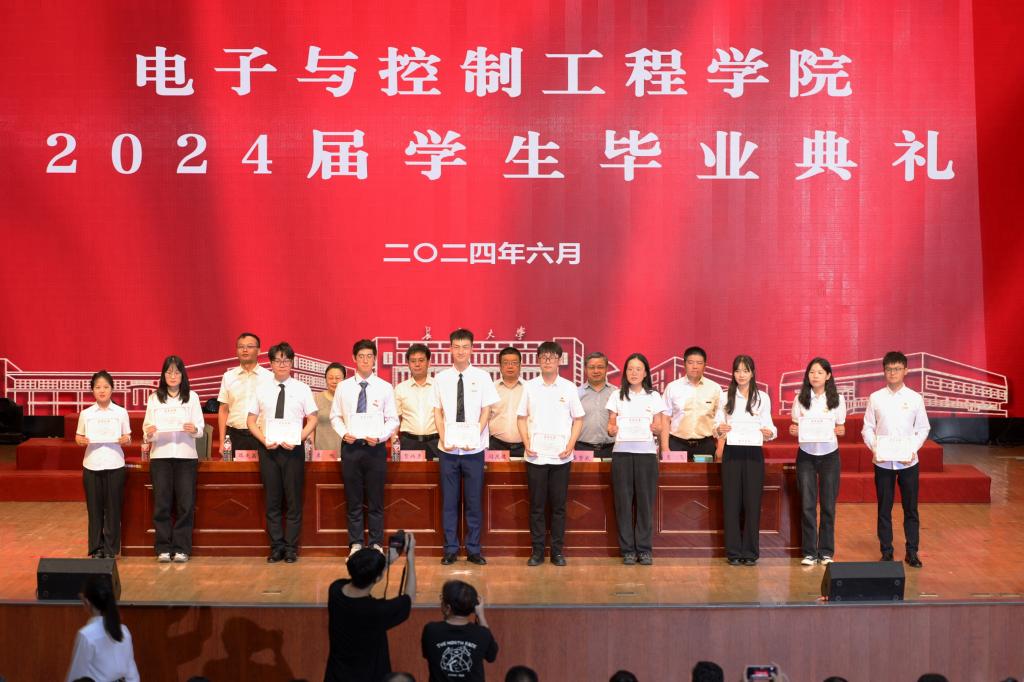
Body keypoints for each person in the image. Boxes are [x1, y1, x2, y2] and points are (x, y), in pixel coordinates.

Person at [433, 329, 500, 565]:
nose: (461, 351)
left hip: (474, 450)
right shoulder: (441, 378)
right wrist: (444, 438)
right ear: (450, 349)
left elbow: (486, 410)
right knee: (449, 502)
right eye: (456, 347)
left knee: (473, 501)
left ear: (472, 349)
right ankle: (450, 549)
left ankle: (473, 549)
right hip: (448, 451)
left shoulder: (482, 377)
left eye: (465, 347)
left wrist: (475, 434)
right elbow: (437, 411)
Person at [247, 342, 318, 563]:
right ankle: (276, 546)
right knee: (273, 500)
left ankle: (291, 548)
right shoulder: (261, 389)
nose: (282, 364)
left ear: (292, 362)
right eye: (278, 360)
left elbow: (313, 418)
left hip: (293, 450)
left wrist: (299, 438)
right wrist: (263, 440)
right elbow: (250, 421)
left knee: (294, 501)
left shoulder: (302, 388)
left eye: (286, 360)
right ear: (271, 363)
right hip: (268, 451)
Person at [517, 341, 585, 566]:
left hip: (561, 456)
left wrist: (571, 445)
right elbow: (521, 418)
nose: (547, 361)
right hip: (535, 455)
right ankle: (537, 552)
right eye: (543, 357)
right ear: (538, 360)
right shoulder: (529, 386)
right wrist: (527, 443)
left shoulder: (569, 387)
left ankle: (557, 551)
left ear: (559, 361)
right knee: (536, 507)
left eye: (552, 357)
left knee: (559, 507)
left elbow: (578, 419)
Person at [330, 339, 400, 556]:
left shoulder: (385, 387)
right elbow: (335, 417)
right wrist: (344, 433)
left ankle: (376, 543)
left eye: (369, 356)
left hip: (375, 449)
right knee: (354, 499)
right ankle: (356, 543)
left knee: (376, 499)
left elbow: (393, 419)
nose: (365, 360)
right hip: (351, 448)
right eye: (361, 356)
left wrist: (380, 437)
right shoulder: (343, 387)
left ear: (375, 359)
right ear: (354, 359)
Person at [862, 351, 930, 568]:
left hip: (908, 461)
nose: (893, 373)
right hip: (883, 461)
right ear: (884, 371)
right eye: (889, 369)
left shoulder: (915, 398)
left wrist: (912, 449)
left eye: (897, 369)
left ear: (906, 371)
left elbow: (923, 428)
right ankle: (886, 551)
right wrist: (875, 448)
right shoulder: (875, 397)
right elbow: (867, 428)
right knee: (884, 508)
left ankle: (912, 552)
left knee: (910, 508)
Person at [324, 533, 417, 682]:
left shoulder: (335, 590)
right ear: (378, 578)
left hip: (336, 676)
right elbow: (409, 598)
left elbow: (363, 575)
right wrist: (410, 558)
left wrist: (386, 562)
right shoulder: (376, 611)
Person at [605, 353, 668, 566]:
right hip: (622, 454)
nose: (634, 373)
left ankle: (644, 549)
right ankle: (627, 550)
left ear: (645, 373)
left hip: (646, 455)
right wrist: (612, 429)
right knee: (623, 503)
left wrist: (656, 428)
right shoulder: (616, 395)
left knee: (645, 503)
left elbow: (659, 426)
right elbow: (611, 424)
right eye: (630, 369)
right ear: (625, 372)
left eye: (638, 369)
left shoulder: (654, 396)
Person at [714, 355, 777, 566]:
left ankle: (750, 552)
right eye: (737, 370)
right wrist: (719, 429)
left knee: (752, 502)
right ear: (733, 373)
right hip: (732, 452)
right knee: (731, 502)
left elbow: (769, 425)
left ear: (752, 373)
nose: (741, 375)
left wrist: (769, 433)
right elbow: (716, 424)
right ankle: (733, 552)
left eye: (745, 370)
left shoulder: (762, 397)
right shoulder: (725, 396)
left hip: (753, 453)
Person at [143, 356, 205, 563]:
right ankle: (163, 547)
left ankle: (181, 548)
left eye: (176, 372)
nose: (172, 376)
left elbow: (200, 428)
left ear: (182, 375)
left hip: (186, 456)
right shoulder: (154, 398)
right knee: (162, 503)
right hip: (161, 456)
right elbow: (147, 430)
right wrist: (150, 432)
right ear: (163, 375)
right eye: (168, 372)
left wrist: (194, 429)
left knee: (185, 504)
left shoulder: (192, 397)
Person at [789, 357, 847, 566]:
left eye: (820, 372)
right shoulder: (800, 399)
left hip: (830, 455)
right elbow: (795, 426)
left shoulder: (837, 399)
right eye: (812, 372)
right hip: (806, 455)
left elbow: (841, 427)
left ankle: (826, 552)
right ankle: (809, 552)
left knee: (828, 505)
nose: (815, 376)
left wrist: (841, 430)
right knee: (807, 504)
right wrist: (793, 430)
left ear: (828, 376)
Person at [75, 370, 131, 559]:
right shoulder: (86, 414)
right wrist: (80, 441)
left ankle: (110, 549)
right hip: (92, 464)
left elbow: (128, 437)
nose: (102, 390)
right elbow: (78, 436)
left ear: (112, 389)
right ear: (92, 390)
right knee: (94, 509)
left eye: (106, 387)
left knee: (113, 509)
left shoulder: (121, 412)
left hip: (115, 464)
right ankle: (96, 548)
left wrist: (125, 439)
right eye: (98, 387)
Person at [421, 580, 499, 681]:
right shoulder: (482, 633)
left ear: (448, 607)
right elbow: (491, 656)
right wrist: (480, 615)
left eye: (442, 598)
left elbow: (427, 654)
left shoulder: (431, 630)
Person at [65, 576, 139, 682]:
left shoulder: (86, 635)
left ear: (87, 602)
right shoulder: (124, 631)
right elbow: (132, 676)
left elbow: (76, 677)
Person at [217, 332, 273, 455]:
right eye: (241, 347)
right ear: (237, 351)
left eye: (250, 346)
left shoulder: (270, 377)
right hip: (235, 436)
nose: (245, 350)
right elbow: (223, 410)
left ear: (259, 351)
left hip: (261, 435)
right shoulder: (228, 377)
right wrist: (222, 441)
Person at [661, 347, 721, 462]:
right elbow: (665, 419)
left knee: (706, 475)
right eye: (691, 362)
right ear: (684, 364)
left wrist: (720, 448)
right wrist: (664, 447)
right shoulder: (672, 387)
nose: (695, 366)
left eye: (699, 363)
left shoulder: (715, 388)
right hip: (677, 444)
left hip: (705, 445)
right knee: (675, 474)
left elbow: (721, 419)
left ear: (705, 365)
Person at [395, 343, 440, 460]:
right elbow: (395, 420)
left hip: (435, 442)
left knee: (436, 472)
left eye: (421, 360)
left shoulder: (438, 386)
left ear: (428, 362)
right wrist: (394, 443)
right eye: (413, 361)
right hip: (409, 443)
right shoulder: (400, 388)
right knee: (409, 473)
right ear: (408, 363)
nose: (417, 364)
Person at [576, 352, 616, 457]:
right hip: (582, 449)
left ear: (606, 369)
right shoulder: (576, 393)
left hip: (611, 449)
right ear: (585, 369)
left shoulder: (616, 393)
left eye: (600, 367)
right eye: (591, 367)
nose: (596, 371)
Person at [488, 347, 525, 458]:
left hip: (524, 446)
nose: (510, 366)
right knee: (495, 470)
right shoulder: (491, 389)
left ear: (520, 366)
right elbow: (485, 416)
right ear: (500, 366)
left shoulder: (529, 389)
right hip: (496, 445)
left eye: (514, 363)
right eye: (506, 363)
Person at [314, 363, 346, 454]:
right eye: (330, 378)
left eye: (338, 378)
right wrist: (311, 449)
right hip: (322, 453)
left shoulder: (351, 400)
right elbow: (311, 428)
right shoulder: (316, 399)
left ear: (344, 380)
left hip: (347, 452)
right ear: (326, 379)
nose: (334, 381)